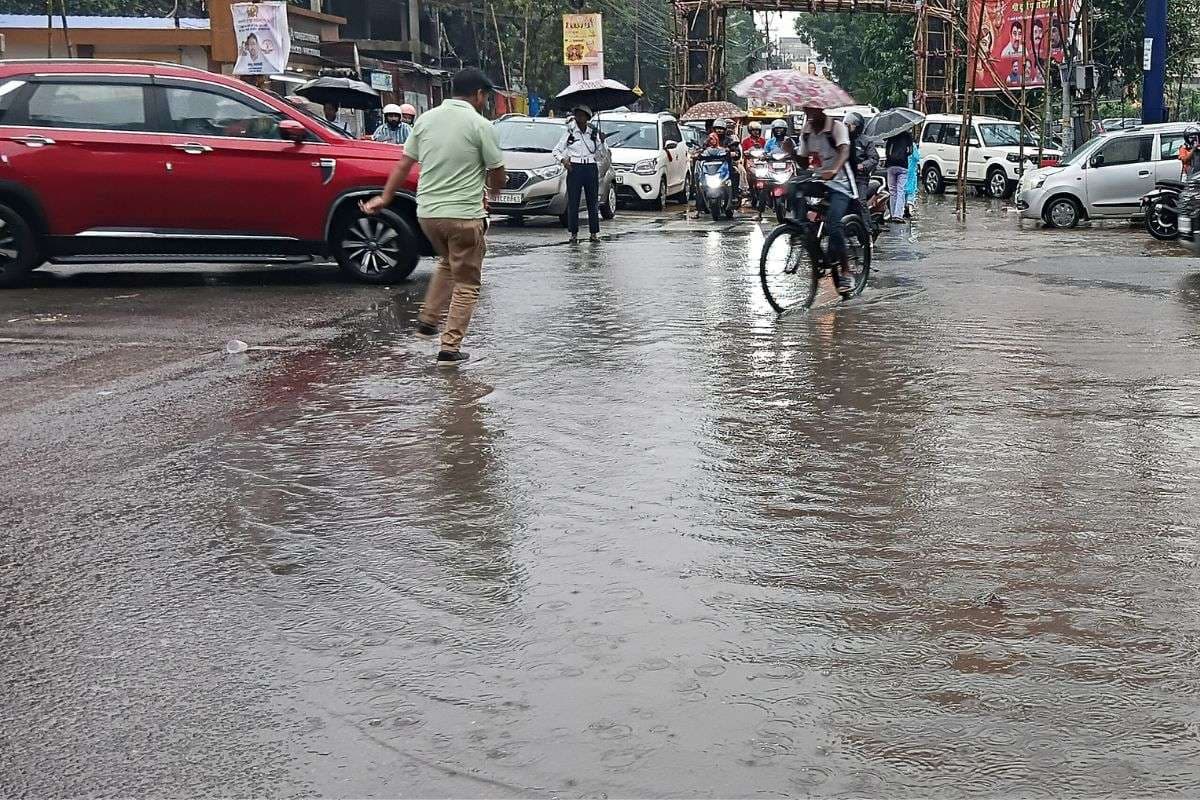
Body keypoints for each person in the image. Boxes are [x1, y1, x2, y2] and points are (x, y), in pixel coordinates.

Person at [360, 68, 506, 367]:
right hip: (463, 216)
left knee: (446, 262)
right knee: (467, 282)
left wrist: (384, 198)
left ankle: (428, 319)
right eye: (485, 97)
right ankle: (449, 348)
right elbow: (497, 170)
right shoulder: (480, 125)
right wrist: (493, 194)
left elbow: (403, 164)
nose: (485, 102)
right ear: (479, 94)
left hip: (427, 214)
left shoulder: (425, 120)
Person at [796, 103, 856, 293]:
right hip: (818, 181)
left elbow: (844, 151)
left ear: (821, 109)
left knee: (833, 224)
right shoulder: (806, 132)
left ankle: (846, 271)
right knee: (792, 189)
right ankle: (798, 229)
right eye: (806, 110)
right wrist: (790, 151)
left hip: (841, 185)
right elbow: (804, 163)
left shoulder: (837, 128)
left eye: (813, 109)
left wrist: (834, 170)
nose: (810, 114)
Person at [552, 104, 607, 243]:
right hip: (575, 168)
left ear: (587, 117)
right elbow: (556, 151)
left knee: (592, 202)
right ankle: (574, 234)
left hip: (590, 167)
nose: (579, 118)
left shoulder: (594, 133)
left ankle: (594, 233)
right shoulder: (570, 132)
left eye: (582, 115)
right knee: (573, 202)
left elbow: (600, 155)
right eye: (577, 115)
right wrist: (564, 161)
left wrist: (602, 142)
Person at [843, 112, 878, 202]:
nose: (845, 127)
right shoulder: (842, 139)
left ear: (857, 126)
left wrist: (862, 166)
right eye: (845, 124)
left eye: (848, 125)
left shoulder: (866, 141)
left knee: (860, 202)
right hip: (845, 176)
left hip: (860, 178)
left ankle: (865, 216)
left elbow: (874, 158)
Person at [884, 126, 914, 222]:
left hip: (890, 166)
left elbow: (887, 151)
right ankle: (898, 215)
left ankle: (892, 214)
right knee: (901, 190)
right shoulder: (907, 135)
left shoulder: (891, 134)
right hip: (902, 166)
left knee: (892, 191)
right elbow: (910, 151)